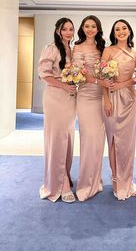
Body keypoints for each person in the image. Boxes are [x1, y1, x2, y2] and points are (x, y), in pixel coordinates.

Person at [73, 15, 111, 201]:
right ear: (82, 28)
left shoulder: (103, 47)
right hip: (86, 96)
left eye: (93, 26)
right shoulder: (78, 47)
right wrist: (97, 79)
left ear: (98, 29)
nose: (89, 29)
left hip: (101, 97)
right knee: (88, 139)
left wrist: (106, 92)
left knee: (98, 140)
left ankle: (95, 179)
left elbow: (107, 72)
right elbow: (78, 74)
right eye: (86, 26)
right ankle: (86, 183)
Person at [102, 19, 136, 200]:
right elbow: (103, 76)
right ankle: (117, 180)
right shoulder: (108, 51)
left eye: (124, 28)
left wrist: (121, 85)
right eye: (117, 29)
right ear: (113, 33)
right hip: (111, 99)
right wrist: (107, 99)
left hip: (129, 100)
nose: (121, 31)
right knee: (113, 139)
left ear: (129, 31)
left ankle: (127, 181)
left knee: (127, 143)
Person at [38, 17, 76, 203]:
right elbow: (43, 74)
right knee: (57, 138)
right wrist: (64, 86)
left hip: (70, 99)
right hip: (55, 98)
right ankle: (60, 184)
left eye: (71, 29)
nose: (68, 32)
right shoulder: (51, 48)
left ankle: (64, 175)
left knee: (67, 138)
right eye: (65, 29)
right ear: (58, 31)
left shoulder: (73, 49)